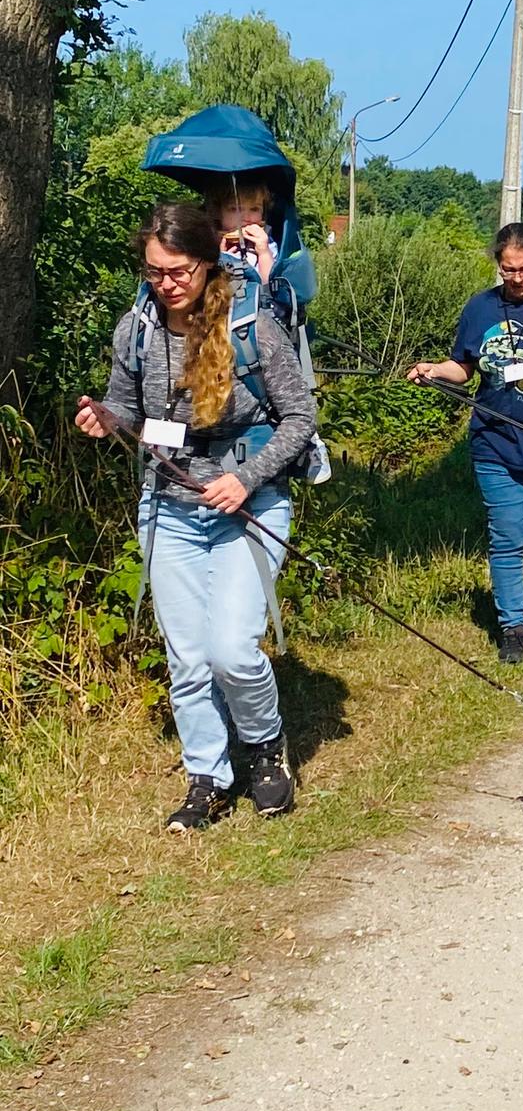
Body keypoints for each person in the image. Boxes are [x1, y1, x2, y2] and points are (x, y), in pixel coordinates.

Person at [74, 204, 317, 832]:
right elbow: (126, 407)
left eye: (179, 270)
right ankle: (207, 777)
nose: (167, 283)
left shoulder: (251, 326)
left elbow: (300, 419)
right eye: (155, 272)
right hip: (169, 506)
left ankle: (265, 749)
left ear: (207, 263)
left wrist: (246, 478)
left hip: (250, 505)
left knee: (232, 650)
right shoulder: (136, 329)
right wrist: (105, 418)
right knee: (186, 658)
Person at [409, 223, 523, 662]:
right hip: (495, 445)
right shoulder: (480, 308)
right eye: (508, 269)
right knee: (507, 537)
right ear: (499, 265)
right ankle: (513, 626)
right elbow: (463, 367)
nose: (517, 278)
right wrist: (435, 370)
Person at [205, 175, 276, 280]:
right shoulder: (208, 243)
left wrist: (264, 253)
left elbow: (270, 283)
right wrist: (221, 259)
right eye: (235, 209)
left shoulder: (265, 243)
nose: (246, 218)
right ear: (217, 212)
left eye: (254, 209)